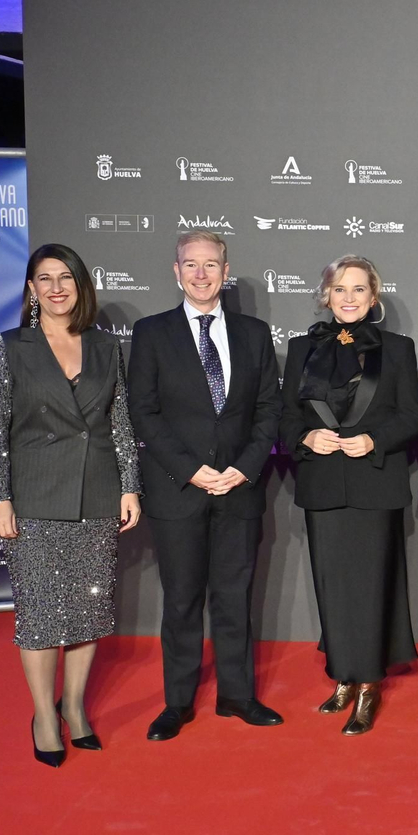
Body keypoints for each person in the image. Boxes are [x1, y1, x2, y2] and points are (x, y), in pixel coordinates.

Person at [0, 243, 141, 768]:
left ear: (80, 286)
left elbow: (119, 422)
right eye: (44, 279)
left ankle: (73, 705)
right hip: (34, 496)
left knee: (88, 609)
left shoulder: (104, 346)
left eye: (65, 277)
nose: (55, 287)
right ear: (31, 289)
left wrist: (129, 486)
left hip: (96, 492)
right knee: (41, 615)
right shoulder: (11, 347)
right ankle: (43, 716)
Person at [128, 230, 284, 741]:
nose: (200, 273)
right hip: (180, 488)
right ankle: (177, 702)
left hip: (239, 487)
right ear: (176, 271)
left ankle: (237, 696)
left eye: (210, 264)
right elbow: (144, 414)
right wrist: (190, 470)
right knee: (180, 600)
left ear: (225, 269)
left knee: (234, 597)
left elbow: (268, 410)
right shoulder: (152, 333)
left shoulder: (255, 333)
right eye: (190, 264)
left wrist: (245, 466)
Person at [281, 255, 418, 734]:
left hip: (374, 481)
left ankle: (368, 685)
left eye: (358, 289)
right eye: (340, 289)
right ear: (327, 295)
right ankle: (343, 675)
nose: (348, 298)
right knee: (332, 585)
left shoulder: (399, 349)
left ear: (373, 296)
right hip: (322, 483)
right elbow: (284, 416)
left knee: (370, 586)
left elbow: (413, 417)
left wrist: (375, 440)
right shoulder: (302, 349)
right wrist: (305, 438)